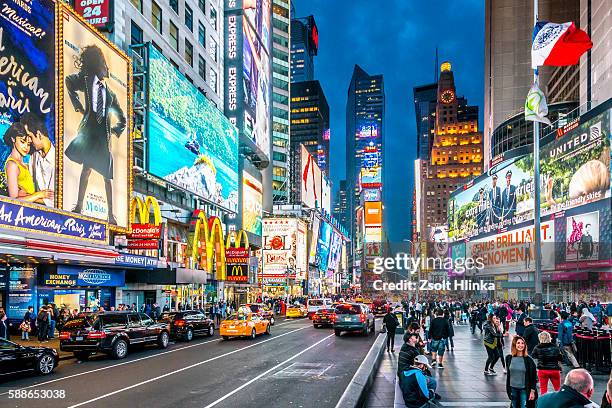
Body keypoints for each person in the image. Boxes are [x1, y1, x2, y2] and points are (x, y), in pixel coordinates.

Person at [65, 45, 126, 224]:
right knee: (86, 169)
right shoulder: (86, 79)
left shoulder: (111, 95)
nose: (107, 69)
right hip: (89, 132)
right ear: (97, 66)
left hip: (103, 137)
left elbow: (122, 118)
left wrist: (115, 131)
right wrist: (77, 105)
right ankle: (79, 206)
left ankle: (110, 214)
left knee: (107, 176)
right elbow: (68, 81)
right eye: (104, 66)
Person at [3, 121, 53, 203]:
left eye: (29, 144)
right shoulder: (12, 165)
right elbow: (13, 200)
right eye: (22, 142)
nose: (26, 147)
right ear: (13, 139)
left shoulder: (25, 162)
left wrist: (28, 195)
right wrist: (38, 194)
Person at [22, 112, 55, 206]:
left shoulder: (58, 160)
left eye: (30, 136)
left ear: (39, 134)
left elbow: (53, 202)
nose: (28, 140)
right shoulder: (34, 156)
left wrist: (28, 197)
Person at [506, 336, 538, 408]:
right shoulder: (509, 358)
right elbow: (509, 375)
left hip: (524, 389)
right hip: (513, 389)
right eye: (518, 343)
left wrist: (532, 392)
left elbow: (533, 377)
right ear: (514, 345)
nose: (521, 345)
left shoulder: (529, 360)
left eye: (522, 343)